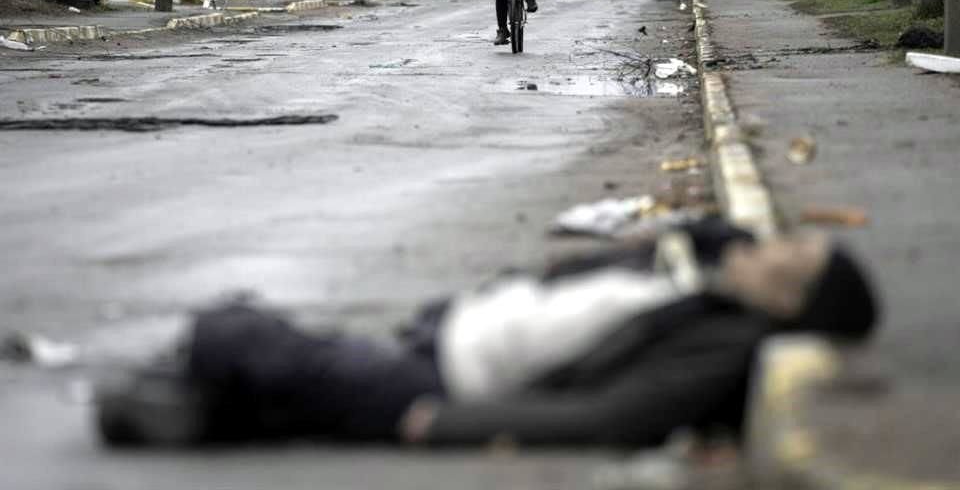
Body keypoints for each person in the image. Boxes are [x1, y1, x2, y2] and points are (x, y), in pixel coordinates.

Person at [95, 218, 878, 448]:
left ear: (791, 297)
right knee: (295, 382)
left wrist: (449, 424)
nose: (769, 245)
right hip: (442, 342)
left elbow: (611, 416)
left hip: (443, 382)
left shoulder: (723, 343)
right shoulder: (709, 295)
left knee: (237, 329)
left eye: (791, 253)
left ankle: (187, 394)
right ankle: (189, 407)